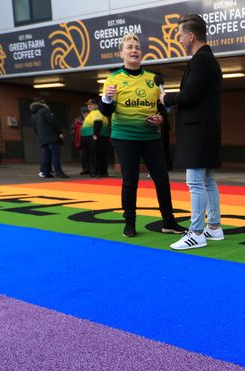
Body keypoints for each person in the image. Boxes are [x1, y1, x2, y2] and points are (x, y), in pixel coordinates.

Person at [99, 33, 186, 238]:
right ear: (122, 53)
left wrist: (160, 120)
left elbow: (161, 110)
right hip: (124, 137)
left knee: (162, 179)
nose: (134, 50)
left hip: (150, 138)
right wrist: (107, 98)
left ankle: (168, 222)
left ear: (141, 53)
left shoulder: (153, 79)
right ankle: (129, 222)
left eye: (137, 47)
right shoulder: (112, 79)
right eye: (129, 47)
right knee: (130, 181)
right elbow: (104, 112)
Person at [159, 14, 224, 250]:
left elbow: (189, 96)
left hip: (197, 131)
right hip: (204, 130)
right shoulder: (208, 60)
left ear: (191, 35)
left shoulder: (201, 60)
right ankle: (214, 228)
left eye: (180, 35)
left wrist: (167, 98)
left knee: (195, 182)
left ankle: (196, 232)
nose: (179, 40)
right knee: (207, 181)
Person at [30, 98, 69, 178]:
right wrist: (60, 132)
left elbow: (35, 129)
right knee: (55, 155)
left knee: (45, 155)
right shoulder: (45, 111)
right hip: (52, 137)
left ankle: (46, 172)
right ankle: (58, 172)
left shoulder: (34, 115)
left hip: (42, 139)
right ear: (43, 104)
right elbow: (53, 122)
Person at [82, 99, 110, 177]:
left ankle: (97, 172)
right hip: (99, 137)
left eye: (91, 104)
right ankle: (102, 172)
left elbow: (98, 122)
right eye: (88, 105)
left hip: (96, 137)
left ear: (96, 105)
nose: (89, 106)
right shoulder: (95, 112)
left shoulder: (96, 112)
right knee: (99, 155)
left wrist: (95, 134)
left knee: (96, 155)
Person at [72, 106, 89, 174]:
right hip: (80, 140)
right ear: (81, 113)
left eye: (86, 112)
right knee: (83, 156)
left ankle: (92, 169)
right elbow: (73, 130)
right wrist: (74, 139)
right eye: (84, 113)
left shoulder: (90, 118)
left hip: (89, 139)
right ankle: (85, 169)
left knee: (90, 155)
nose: (85, 114)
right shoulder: (77, 120)